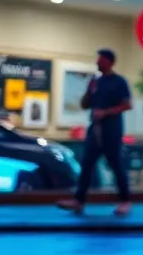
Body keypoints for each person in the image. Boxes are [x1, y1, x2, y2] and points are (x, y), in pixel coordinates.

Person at [57, 49, 133, 216]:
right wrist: (89, 90)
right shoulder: (96, 82)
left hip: (112, 129)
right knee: (87, 163)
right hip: (95, 129)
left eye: (101, 60)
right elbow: (85, 105)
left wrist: (106, 112)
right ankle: (79, 201)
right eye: (98, 60)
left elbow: (127, 105)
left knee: (115, 164)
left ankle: (125, 201)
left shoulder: (119, 82)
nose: (97, 63)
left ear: (110, 62)